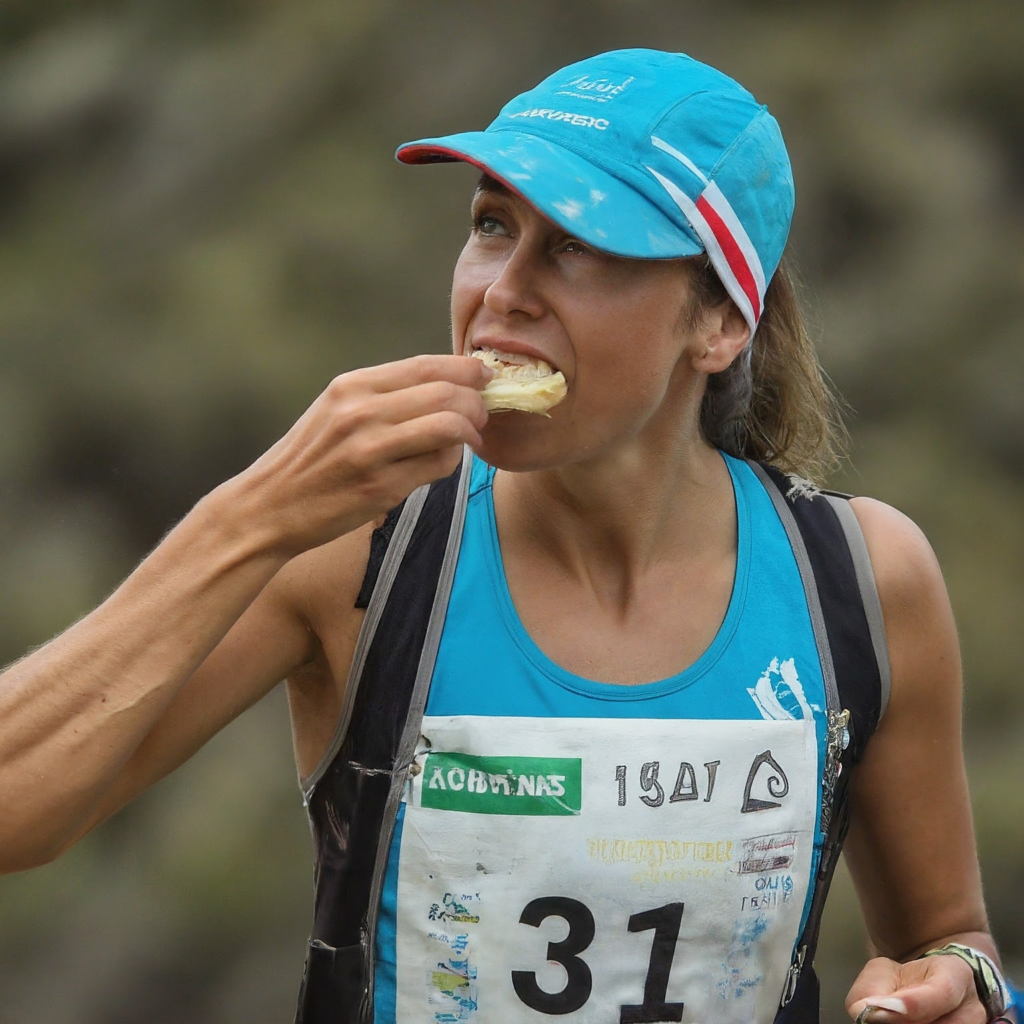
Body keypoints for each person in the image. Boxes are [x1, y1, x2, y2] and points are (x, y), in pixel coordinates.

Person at [0, 48, 1014, 1024]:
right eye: (492, 225)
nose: (503, 289)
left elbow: (948, 940)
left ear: (716, 325)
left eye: (576, 243)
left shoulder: (860, 580)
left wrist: (951, 981)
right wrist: (251, 515)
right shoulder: (354, 549)